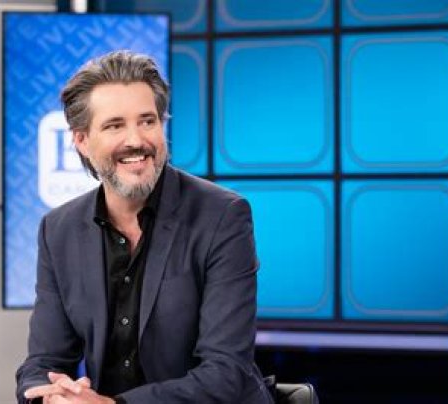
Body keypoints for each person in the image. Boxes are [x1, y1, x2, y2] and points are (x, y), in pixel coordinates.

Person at [16, 50, 273, 404]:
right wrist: (53, 396)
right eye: (115, 125)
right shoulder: (58, 230)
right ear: (81, 140)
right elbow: (42, 363)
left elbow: (225, 373)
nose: (136, 140)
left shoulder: (222, 216)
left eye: (147, 121)